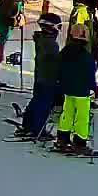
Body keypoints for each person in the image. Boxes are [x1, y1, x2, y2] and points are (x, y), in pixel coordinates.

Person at [16, 10, 64, 139]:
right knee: (44, 104)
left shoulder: (43, 39)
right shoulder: (50, 44)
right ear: (51, 28)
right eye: (58, 27)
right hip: (48, 78)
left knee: (36, 100)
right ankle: (36, 129)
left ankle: (28, 125)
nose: (59, 31)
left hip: (41, 76)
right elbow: (54, 62)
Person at [55, 23, 98, 156]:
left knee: (67, 113)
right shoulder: (87, 56)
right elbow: (90, 75)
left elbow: (59, 68)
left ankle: (62, 138)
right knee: (82, 117)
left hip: (67, 89)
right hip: (82, 91)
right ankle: (79, 143)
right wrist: (95, 88)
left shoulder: (65, 51)